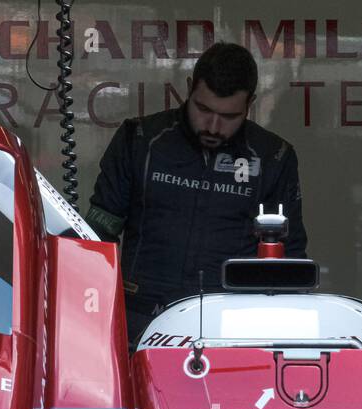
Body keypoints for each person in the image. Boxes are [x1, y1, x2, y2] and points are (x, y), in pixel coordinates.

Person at [85, 41, 307, 347]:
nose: (214, 127)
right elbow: (96, 237)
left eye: (229, 116)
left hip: (231, 327)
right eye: (203, 109)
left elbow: (290, 256)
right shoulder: (139, 140)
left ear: (250, 103)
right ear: (189, 89)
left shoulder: (273, 157)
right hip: (139, 321)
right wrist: (90, 318)